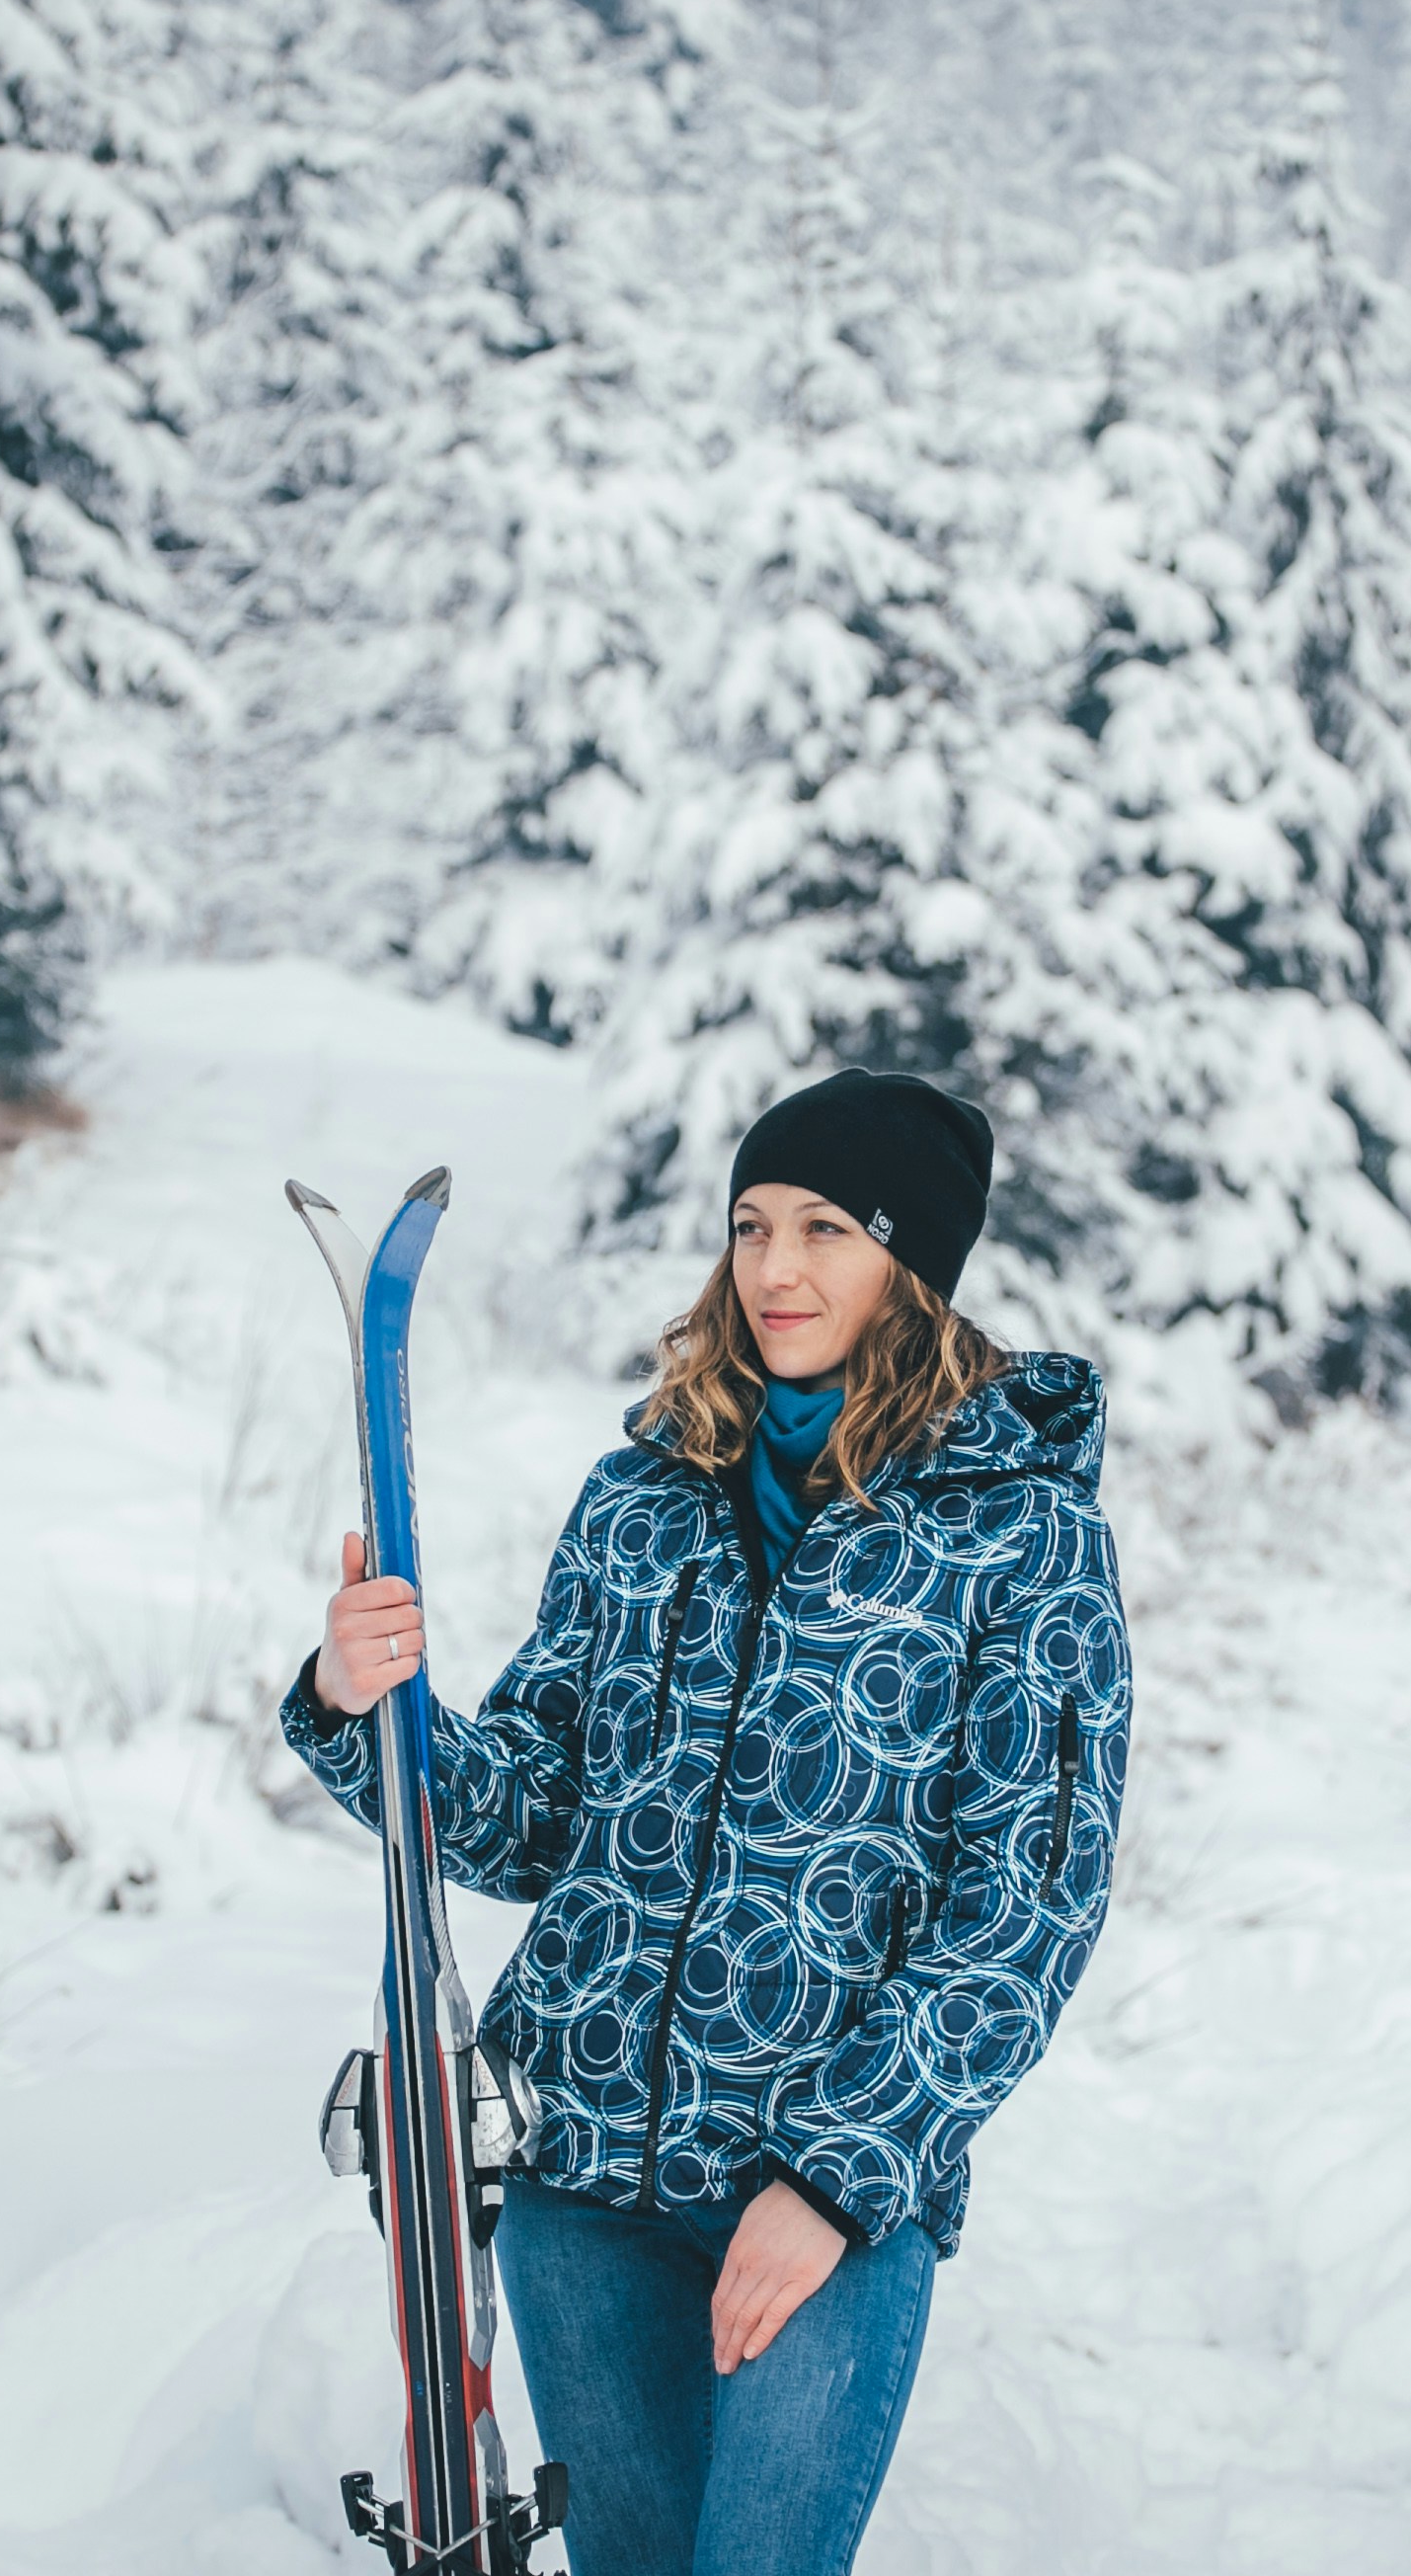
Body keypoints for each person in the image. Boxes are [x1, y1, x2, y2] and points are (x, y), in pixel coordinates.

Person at [284, 1069, 1132, 2576]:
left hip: (822, 2205)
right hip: (578, 2180)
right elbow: (529, 1819)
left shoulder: (1021, 1531)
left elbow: (1028, 1903)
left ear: (910, 1263)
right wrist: (370, 1710)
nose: (776, 1269)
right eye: (751, 1226)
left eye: (826, 1229)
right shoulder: (643, 1495)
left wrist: (837, 2173)